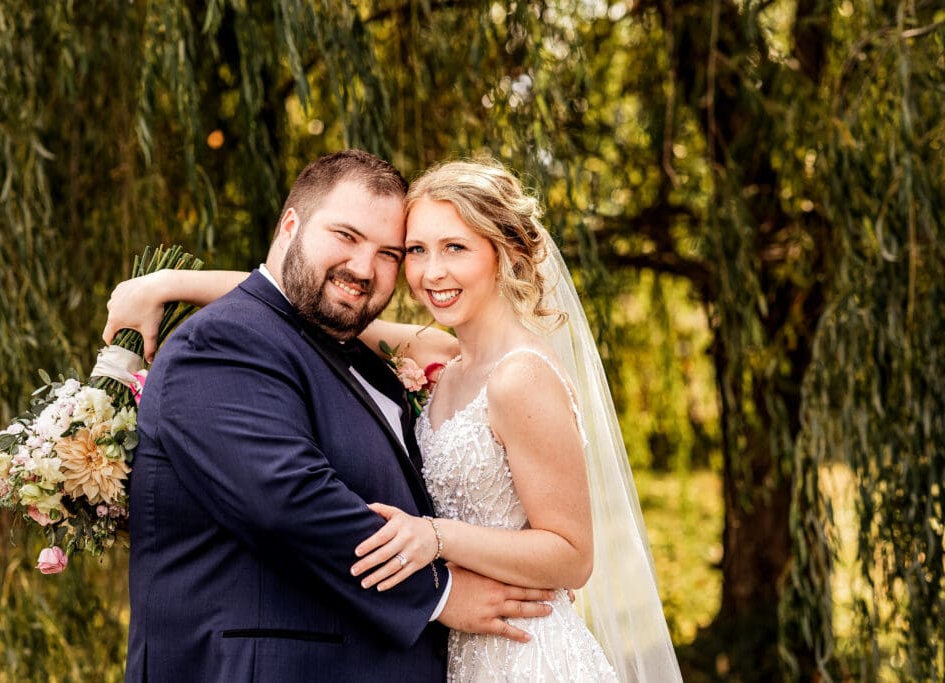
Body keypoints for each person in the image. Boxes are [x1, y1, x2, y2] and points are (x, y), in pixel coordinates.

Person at [107, 158, 682, 682]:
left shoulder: (516, 374)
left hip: (521, 646)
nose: (430, 271)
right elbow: (295, 301)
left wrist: (436, 540)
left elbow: (573, 554)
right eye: (415, 251)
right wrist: (171, 283)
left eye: (452, 248)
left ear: (504, 252)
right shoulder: (444, 362)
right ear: (288, 228)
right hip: (457, 643)